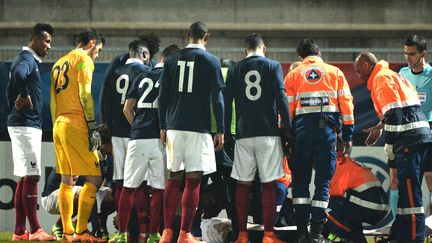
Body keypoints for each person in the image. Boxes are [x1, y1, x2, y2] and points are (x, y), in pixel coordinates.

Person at [158, 21, 225, 243]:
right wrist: (220, 129)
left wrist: (163, 125)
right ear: (207, 37)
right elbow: (217, 98)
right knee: (193, 181)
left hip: (174, 126)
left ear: (187, 35)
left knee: (173, 179)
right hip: (199, 128)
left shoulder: (172, 59)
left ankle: (167, 232)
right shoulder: (212, 61)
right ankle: (185, 233)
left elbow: (163, 97)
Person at [354, 51, 432, 242]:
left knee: (411, 195)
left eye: (357, 70)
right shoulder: (391, 76)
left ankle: (414, 237)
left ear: (365, 64)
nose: (357, 75)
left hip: (408, 140)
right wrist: (381, 129)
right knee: (406, 192)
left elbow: (395, 114)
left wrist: (389, 142)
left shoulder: (381, 79)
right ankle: (401, 234)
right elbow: (401, 111)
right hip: (417, 136)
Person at [284, 39, 354, 243]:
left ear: (300, 57)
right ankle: (316, 233)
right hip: (326, 134)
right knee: (323, 183)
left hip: (301, 134)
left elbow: (286, 110)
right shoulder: (335, 73)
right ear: (319, 53)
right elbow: (347, 105)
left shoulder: (293, 75)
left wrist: (286, 138)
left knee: (300, 183)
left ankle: (300, 232)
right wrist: (348, 136)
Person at [224, 33, 291, 243]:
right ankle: (269, 235)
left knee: (242, 185)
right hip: (268, 134)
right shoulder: (272, 66)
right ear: (265, 48)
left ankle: (242, 235)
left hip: (243, 135)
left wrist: (226, 133)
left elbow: (227, 102)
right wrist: (288, 130)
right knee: (269, 184)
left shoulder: (235, 68)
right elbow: (281, 98)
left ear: (245, 51)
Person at [113, 44, 179, 243]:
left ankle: (121, 234)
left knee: (129, 186)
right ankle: (153, 234)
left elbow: (127, 108)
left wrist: (137, 127)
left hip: (138, 137)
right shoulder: (171, 78)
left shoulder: (141, 76)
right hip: (160, 140)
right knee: (159, 188)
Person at [50, 28, 106, 242]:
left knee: (67, 179)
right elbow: (85, 93)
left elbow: (54, 101)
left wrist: (57, 124)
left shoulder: (58, 63)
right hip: (76, 123)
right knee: (94, 176)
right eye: (98, 50)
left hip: (59, 124)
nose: (97, 55)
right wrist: (92, 125)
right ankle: (81, 231)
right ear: (92, 42)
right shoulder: (83, 60)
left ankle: (67, 232)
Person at [6, 23, 56, 241]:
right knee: (33, 175)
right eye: (46, 41)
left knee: (26, 177)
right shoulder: (26, 60)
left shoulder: (31, 60)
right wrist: (25, 93)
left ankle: (19, 232)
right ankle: (35, 229)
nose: (49, 46)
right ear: (34, 39)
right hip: (25, 124)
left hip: (26, 124)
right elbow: (18, 73)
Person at [100, 34, 161, 214]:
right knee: (140, 182)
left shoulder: (116, 68)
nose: (150, 61)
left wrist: (106, 123)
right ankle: (140, 227)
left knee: (120, 180)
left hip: (117, 130)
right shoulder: (145, 72)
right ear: (143, 53)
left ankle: (122, 222)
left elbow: (105, 97)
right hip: (137, 131)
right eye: (149, 56)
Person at [384, 35, 432, 220]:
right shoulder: (401, 74)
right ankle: (396, 223)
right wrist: (381, 126)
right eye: (405, 54)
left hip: (426, 134)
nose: (408, 58)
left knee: (429, 180)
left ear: (423, 54)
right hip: (403, 134)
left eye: (412, 54)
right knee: (395, 179)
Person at [323, 141, 388, 243]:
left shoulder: (336, 165)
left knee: (325, 207)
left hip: (370, 206)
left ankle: (353, 238)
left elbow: (330, 196)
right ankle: (355, 237)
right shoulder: (345, 162)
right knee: (340, 208)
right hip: (373, 205)